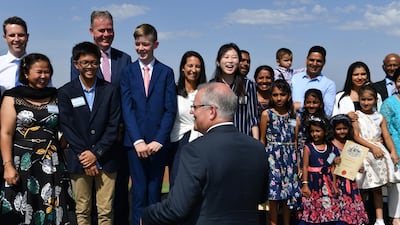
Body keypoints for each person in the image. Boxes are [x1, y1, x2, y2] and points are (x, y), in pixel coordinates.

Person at [141, 82, 268, 225]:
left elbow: (176, 209)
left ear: (212, 111)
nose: (191, 112)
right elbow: (261, 197)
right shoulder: (258, 149)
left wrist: (146, 215)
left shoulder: (195, 150)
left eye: (195, 107)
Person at [70, 10, 132, 225]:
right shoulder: (78, 60)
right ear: (91, 31)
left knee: (116, 199)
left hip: (114, 140)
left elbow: (126, 99)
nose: (106, 34)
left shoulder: (125, 59)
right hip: (85, 144)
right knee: (85, 207)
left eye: (109, 30)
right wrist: (89, 152)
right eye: (101, 30)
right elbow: (76, 105)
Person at [1, 53, 72, 224]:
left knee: (51, 209)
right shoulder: (13, 97)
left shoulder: (57, 96)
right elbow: (6, 133)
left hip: (52, 163)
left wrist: (62, 144)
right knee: (23, 209)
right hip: (22, 163)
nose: (43, 76)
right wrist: (8, 165)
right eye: (39, 72)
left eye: (47, 72)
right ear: (26, 73)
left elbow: (68, 126)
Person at [120, 23, 177, 225]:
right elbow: (127, 109)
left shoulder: (166, 72)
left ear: (155, 44)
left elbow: (170, 109)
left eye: (145, 44)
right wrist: (137, 141)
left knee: (154, 194)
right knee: (137, 192)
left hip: (158, 145)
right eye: (137, 44)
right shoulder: (127, 72)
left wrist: (158, 140)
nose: (141, 48)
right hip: (134, 145)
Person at [58, 41, 121, 225]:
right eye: (85, 62)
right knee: (82, 210)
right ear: (76, 64)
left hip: (107, 158)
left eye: (94, 62)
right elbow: (67, 126)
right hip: (79, 160)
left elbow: (113, 125)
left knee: (105, 211)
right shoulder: (65, 92)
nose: (90, 67)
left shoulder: (110, 90)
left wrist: (96, 153)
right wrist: (84, 155)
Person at [352, 85, 400, 225]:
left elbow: (386, 136)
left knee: (377, 187)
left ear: (375, 100)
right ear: (359, 99)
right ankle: (360, 217)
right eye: (363, 99)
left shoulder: (380, 117)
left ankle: (379, 219)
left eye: (369, 99)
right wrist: (372, 147)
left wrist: (393, 151)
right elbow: (356, 136)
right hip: (363, 153)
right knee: (361, 187)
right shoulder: (356, 116)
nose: (366, 102)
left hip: (378, 155)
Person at [259, 79, 301, 225]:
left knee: (288, 195)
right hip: (272, 158)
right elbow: (262, 139)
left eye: (282, 94)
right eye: (275, 95)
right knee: (274, 195)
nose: (278, 98)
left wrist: (299, 164)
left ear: (288, 96)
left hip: (290, 157)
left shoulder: (293, 115)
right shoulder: (267, 114)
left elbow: (295, 140)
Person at [168, 50, 206, 188]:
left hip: (200, 142)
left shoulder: (205, 92)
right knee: (177, 184)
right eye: (190, 66)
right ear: (183, 68)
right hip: (177, 142)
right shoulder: (173, 90)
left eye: (197, 66)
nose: (193, 70)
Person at [298, 116, 341, 225]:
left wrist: (334, 185)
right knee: (312, 205)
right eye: (312, 131)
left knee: (327, 206)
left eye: (318, 131)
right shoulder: (308, 147)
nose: (314, 134)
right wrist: (305, 184)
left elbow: (331, 167)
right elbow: (305, 167)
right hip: (313, 182)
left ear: (325, 132)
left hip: (326, 182)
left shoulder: (330, 148)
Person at [210, 43, 259, 139]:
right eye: (226, 57)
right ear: (218, 62)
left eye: (234, 57)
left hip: (242, 139)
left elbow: (253, 118)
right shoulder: (211, 86)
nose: (230, 61)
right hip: (218, 140)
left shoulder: (248, 85)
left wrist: (256, 142)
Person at [330, 114, 369, 225]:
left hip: (350, 182)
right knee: (339, 207)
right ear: (333, 130)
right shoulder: (331, 145)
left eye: (344, 128)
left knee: (352, 206)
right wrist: (333, 161)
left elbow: (355, 161)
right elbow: (327, 162)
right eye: (338, 129)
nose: (342, 131)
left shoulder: (351, 145)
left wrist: (359, 167)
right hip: (337, 182)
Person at [379, 68, 400, 225]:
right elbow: (383, 129)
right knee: (397, 188)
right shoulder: (389, 103)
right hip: (396, 151)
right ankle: (395, 219)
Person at [292, 45, 336, 117]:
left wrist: (301, 105)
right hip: (293, 123)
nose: (314, 64)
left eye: (318, 61)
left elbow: (328, 112)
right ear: (306, 60)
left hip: (313, 126)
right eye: (311, 60)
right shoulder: (295, 78)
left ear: (324, 63)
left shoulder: (329, 84)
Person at [295, 89, 327, 179]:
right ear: (304, 103)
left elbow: (329, 143)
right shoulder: (298, 118)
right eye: (308, 102)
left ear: (320, 104)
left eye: (315, 102)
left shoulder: (324, 120)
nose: (311, 105)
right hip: (302, 152)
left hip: (318, 154)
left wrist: (330, 162)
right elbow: (293, 136)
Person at [0, 16, 29, 96]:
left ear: (27, 37)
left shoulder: (39, 65)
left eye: (20, 35)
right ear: (5, 37)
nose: (16, 39)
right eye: (12, 35)